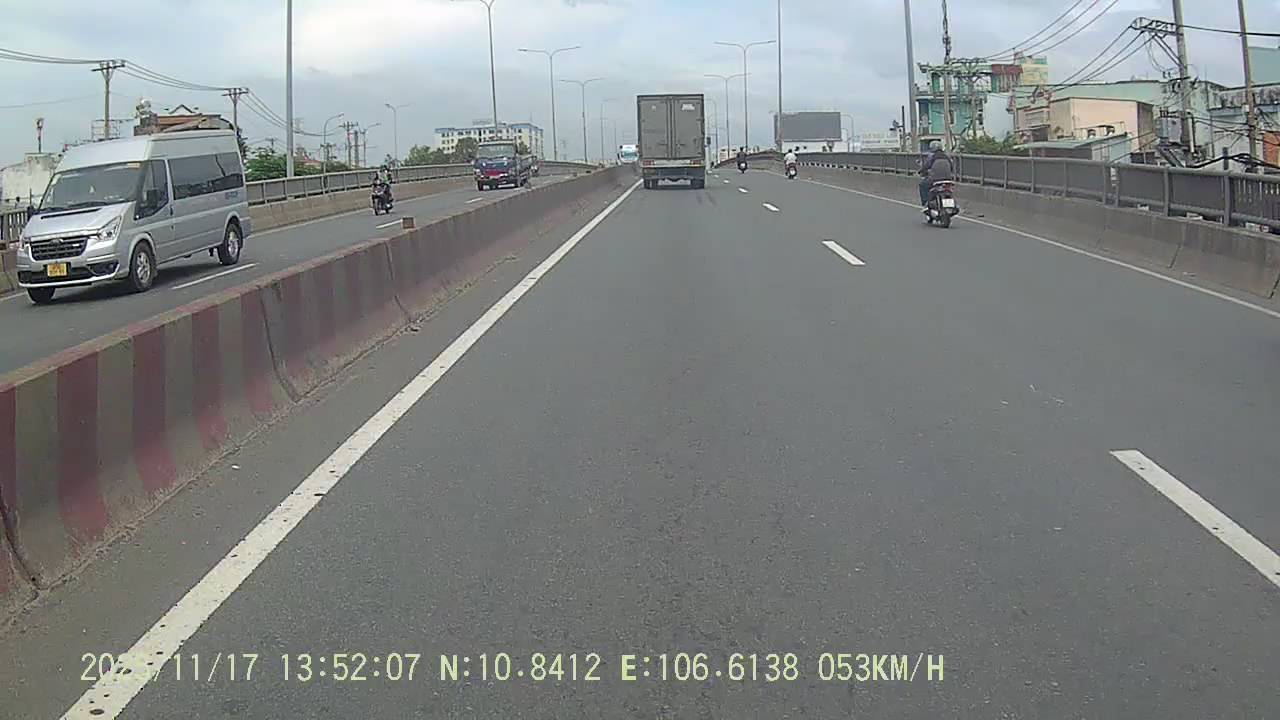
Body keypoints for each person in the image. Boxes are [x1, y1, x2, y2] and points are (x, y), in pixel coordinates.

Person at [918, 140, 953, 212]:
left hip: (935, 179)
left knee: (922, 185)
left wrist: (921, 171)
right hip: (948, 179)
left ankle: (925, 204)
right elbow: (951, 167)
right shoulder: (947, 156)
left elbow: (926, 166)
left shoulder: (932, 156)